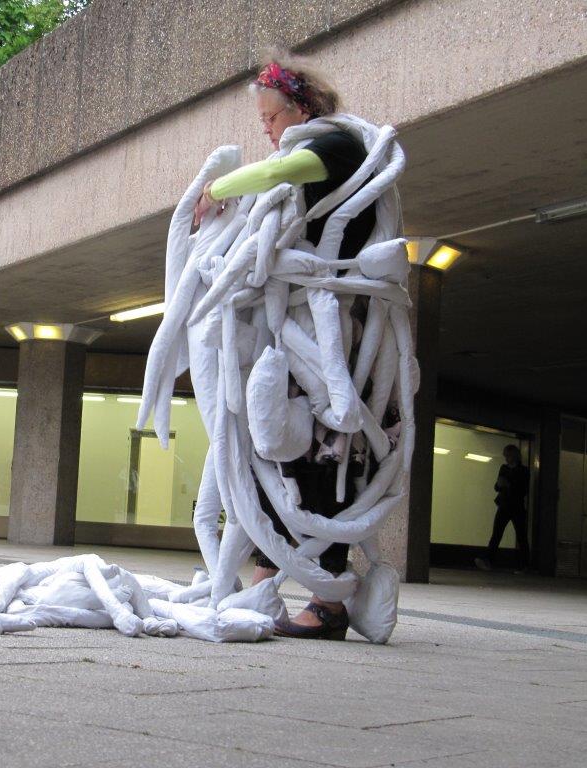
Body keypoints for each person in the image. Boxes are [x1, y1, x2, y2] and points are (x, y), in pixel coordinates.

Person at [193, 51, 383, 640]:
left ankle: (328, 600)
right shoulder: (316, 150)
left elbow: (282, 172)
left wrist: (215, 188)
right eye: (263, 122)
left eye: (271, 118)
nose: (267, 131)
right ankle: (265, 578)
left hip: (327, 326)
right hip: (297, 321)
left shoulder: (335, 144)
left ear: (302, 108)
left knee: (321, 452)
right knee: (271, 446)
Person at [475, 444, 531, 573]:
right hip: (505, 505)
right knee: (497, 534)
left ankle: (524, 565)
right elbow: (497, 487)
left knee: (521, 536)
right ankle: (488, 560)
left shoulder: (524, 471)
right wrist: (501, 485)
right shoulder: (504, 468)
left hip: (516, 506)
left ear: (514, 455)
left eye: (508, 455)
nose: (506, 458)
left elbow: (523, 490)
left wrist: (508, 485)